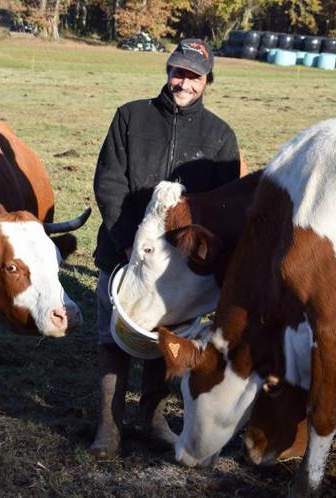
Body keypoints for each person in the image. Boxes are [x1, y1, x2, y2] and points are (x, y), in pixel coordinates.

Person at [90, 38, 243, 459]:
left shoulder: (220, 137)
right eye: (179, 72)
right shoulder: (130, 117)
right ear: (168, 71)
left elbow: (224, 207)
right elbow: (109, 183)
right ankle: (109, 424)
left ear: (208, 80)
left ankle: (152, 418)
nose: (184, 82)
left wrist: (191, 263)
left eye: (194, 76)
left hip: (180, 272)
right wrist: (126, 246)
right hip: (122, 253)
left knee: (166, 339)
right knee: (113, 337)